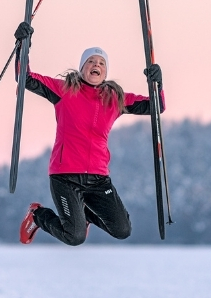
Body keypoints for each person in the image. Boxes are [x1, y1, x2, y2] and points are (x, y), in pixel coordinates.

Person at [13, 22, 164, 246]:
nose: (96, 65)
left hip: (98, 179)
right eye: (91, 61)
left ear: (105, 72)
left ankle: (80, 214)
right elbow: (25, 78)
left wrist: (157, 84)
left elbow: (157, 106)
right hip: (65, 176)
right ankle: (37, 216)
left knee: (122, 229)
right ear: (82, 67)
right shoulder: (64, 89)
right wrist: (23, 45)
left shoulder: (115, 99)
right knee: (75, 237)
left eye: (101, 63)